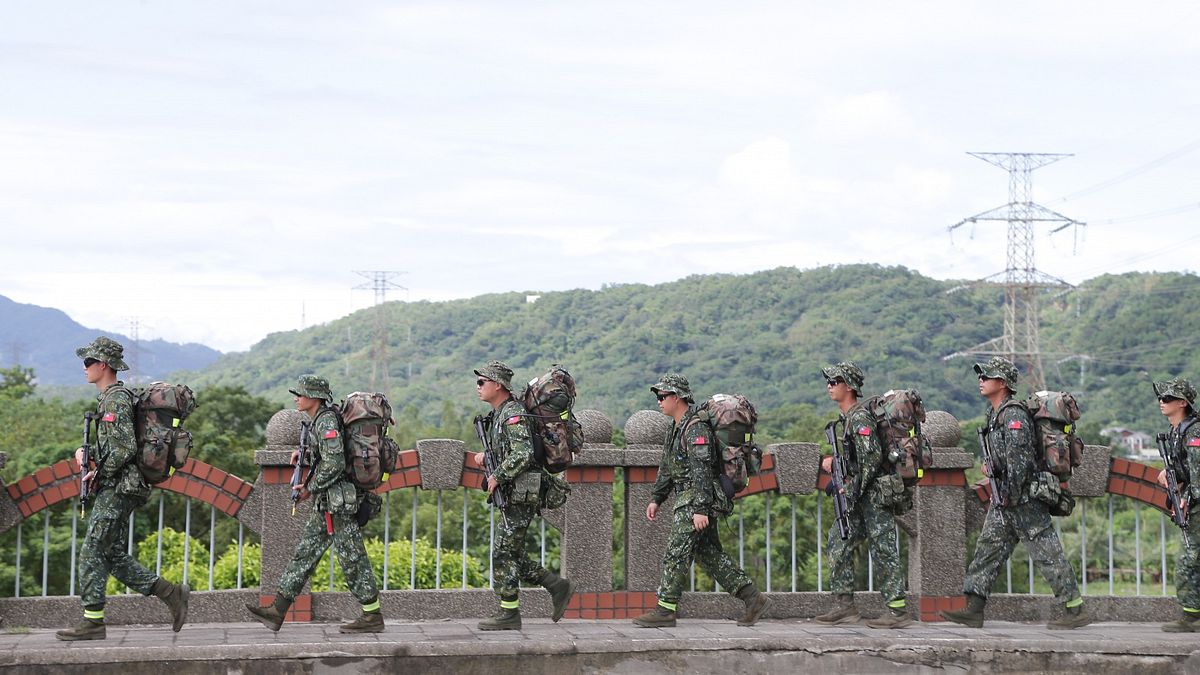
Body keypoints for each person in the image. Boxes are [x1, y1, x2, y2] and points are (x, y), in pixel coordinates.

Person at [942, 356, 1091, 629]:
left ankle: (1074, 609)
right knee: (988, 549)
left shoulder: (1013, 415)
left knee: (1047, 552)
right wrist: (994, 471)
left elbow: (1020, 460)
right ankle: (974, 608)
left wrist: (1009, 491)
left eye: (986, 377)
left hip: (1023, 498)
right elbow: (1005, 458)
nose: (981, 381)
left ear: (1002, 383)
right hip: (1006, 498)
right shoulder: (994, 414)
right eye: (981, 376)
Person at [57, 337, 189, 641]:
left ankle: (93, 622)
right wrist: (87, 454)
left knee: (93, 549)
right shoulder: (110, 398)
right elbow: (114, 445)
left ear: (103, 365)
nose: (84, 368)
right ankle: (170, 594)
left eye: (88, 362)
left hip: (119, 487)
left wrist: (97, 473)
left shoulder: (115, 398)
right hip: (118, 484)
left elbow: (124, 448)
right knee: (110, 552)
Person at [632, 373, 771, 628]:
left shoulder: (696, 428)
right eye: (658, 396)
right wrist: (657, 497)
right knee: (709, 555)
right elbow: (667, 466)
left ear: (677, 397)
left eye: (663, 396)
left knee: (675, 554)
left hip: (695, 499)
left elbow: (702, 471)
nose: (659, 401)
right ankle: (753, 598)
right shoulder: (676, 427)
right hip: (688, 497)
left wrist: (700, 509)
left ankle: (665, 609)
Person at [247, 375, 383, 633]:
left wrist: (309, 488)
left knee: (352, 558)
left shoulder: (327, 421)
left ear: (315, 396)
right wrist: (306, 452)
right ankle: (278, 609)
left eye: (300, 393)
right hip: (328, 502)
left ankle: (372, 615)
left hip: (339, 504)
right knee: (305, 553)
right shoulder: (319, 420)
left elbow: (334, 462)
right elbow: (328, 453)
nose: (296, 398)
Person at [471, 360, 575, 630]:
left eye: (482, 382)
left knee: (503, 552)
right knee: (510, 551)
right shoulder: (499, 414)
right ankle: (555, 585)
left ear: (498, 385)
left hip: (521, 491)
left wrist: (497, 475)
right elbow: (510, 449)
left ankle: (510, 613)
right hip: (515, 490)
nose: (478, 386)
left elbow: (524, 453)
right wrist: (488, 457)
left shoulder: (512, 413)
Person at [814, 362, 912, 628]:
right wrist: (837, 464)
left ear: (850, 386)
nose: (829, 385)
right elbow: (856, 458)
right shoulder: (848, 420)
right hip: (859, 495)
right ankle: (844, 605)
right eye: (829, 381)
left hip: (873, 493)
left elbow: (871, 458)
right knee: (839, 540)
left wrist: (853, 487)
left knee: (883, 550)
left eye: (835, 381)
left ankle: (897, 611)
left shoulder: (860, 418)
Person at [1153, 377, 1200, 632]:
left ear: (1183, 402)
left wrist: (1185, 499)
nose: (1162, 402)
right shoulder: (1175, 432)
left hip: (1197, 503)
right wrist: (1171, 475)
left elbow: (1199, 476)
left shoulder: (1194, 432)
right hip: (1195, 503)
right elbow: (1186, 471)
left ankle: (1191, 617)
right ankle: (1192, 614)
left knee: (1188, 560)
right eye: (1161, 398)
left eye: (1168, 398)